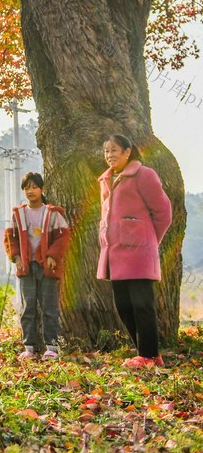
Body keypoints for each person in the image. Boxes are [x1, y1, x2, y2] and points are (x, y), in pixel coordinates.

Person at [98, 133, 172, 368]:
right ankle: (147, 354)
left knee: (142, 304)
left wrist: (149, 240)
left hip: (139, 252)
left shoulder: (144, 175)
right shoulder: (105, 179)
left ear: (127, 152)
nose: (110, 155)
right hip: (114, 252)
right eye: (106, 151)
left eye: (115, 150)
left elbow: (163, 212)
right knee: (123, 305)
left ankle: (148, 355)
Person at [4, 172, 70, 361]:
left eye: (34, 187)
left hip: (47, 266)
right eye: (26, 188)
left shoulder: (52, 213)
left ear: (42, 189)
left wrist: (52, 255)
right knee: (28, 307)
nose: (30, 191)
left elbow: (63, 236)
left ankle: (51, 347)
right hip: (26, 266)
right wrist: (15, 256)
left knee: (49, 307)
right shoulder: (19, 213)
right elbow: (10, 237)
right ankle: (29, 347)